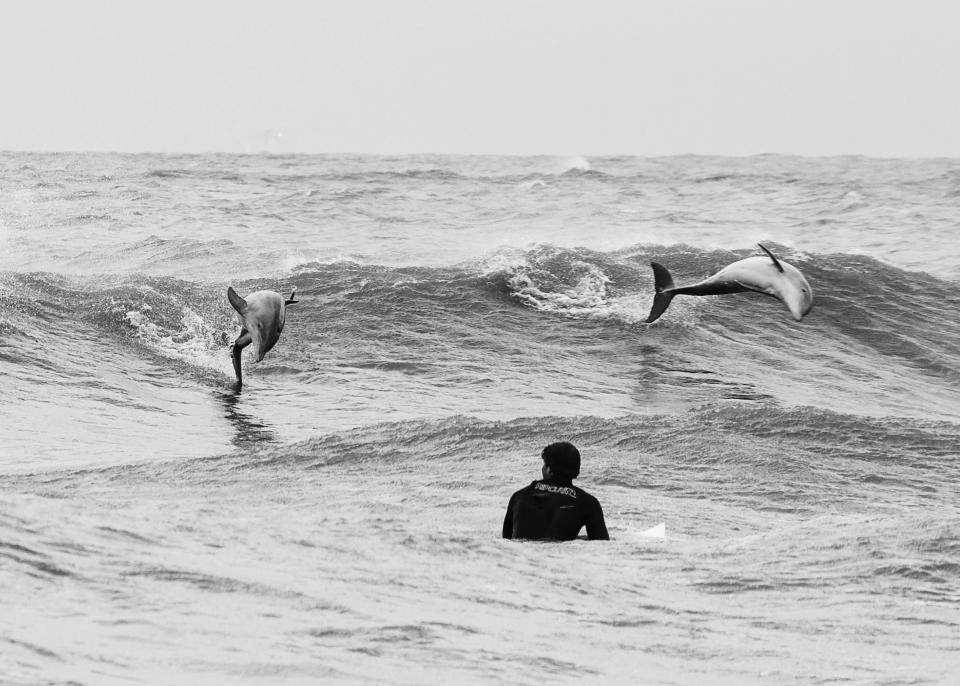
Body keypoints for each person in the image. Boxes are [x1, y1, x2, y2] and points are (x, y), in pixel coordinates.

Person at [502, 441, 609, 541]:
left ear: (549, 469)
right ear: (577, 471)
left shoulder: (519, 496)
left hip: (523, 557)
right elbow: (601, 545)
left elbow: (506, 541)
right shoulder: (588, 502)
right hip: (557, 558)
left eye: (544, 464)